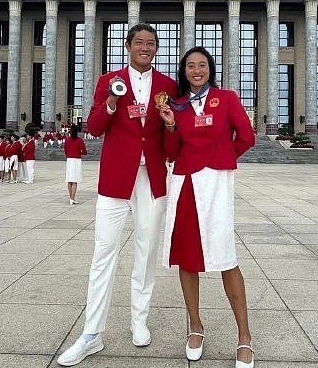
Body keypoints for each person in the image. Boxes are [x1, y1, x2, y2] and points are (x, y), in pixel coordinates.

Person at [58, 23, 177, 366]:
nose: (145, 47)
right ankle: (91, 334)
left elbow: (172, 145)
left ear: (156, 48)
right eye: (139, 42)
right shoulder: (108, 81)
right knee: (104, 251)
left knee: (146, 249)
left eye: (151, 43)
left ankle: (139, 320)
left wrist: (170, 124)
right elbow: (94, 127)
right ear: (128, 46)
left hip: (151, 178)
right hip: (115, 179)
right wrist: (112, 99)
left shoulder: (168, 87)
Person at [157, 46, 256, 368]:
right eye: (190, 66)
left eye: (202, 65)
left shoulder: (226, 98)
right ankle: (196, 327)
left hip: (215, 183)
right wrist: (171, 124)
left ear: (210, 69)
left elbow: (246, 136)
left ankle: (244, 337)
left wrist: (221, 161)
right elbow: (170, 151)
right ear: (183, 72)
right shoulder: (177, 106)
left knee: (225, 255)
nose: (196, 70)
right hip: (185, 182)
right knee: (188, 257)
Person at [63, 124, 87, 204]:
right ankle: (72, 198)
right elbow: (84, 151)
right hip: (76, 160)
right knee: (75, 181)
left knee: (69, 180)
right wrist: (79, 152)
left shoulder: (67, 140)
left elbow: (65, 150)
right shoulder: (80, 140)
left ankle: (71, 198)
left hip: (69, 160)